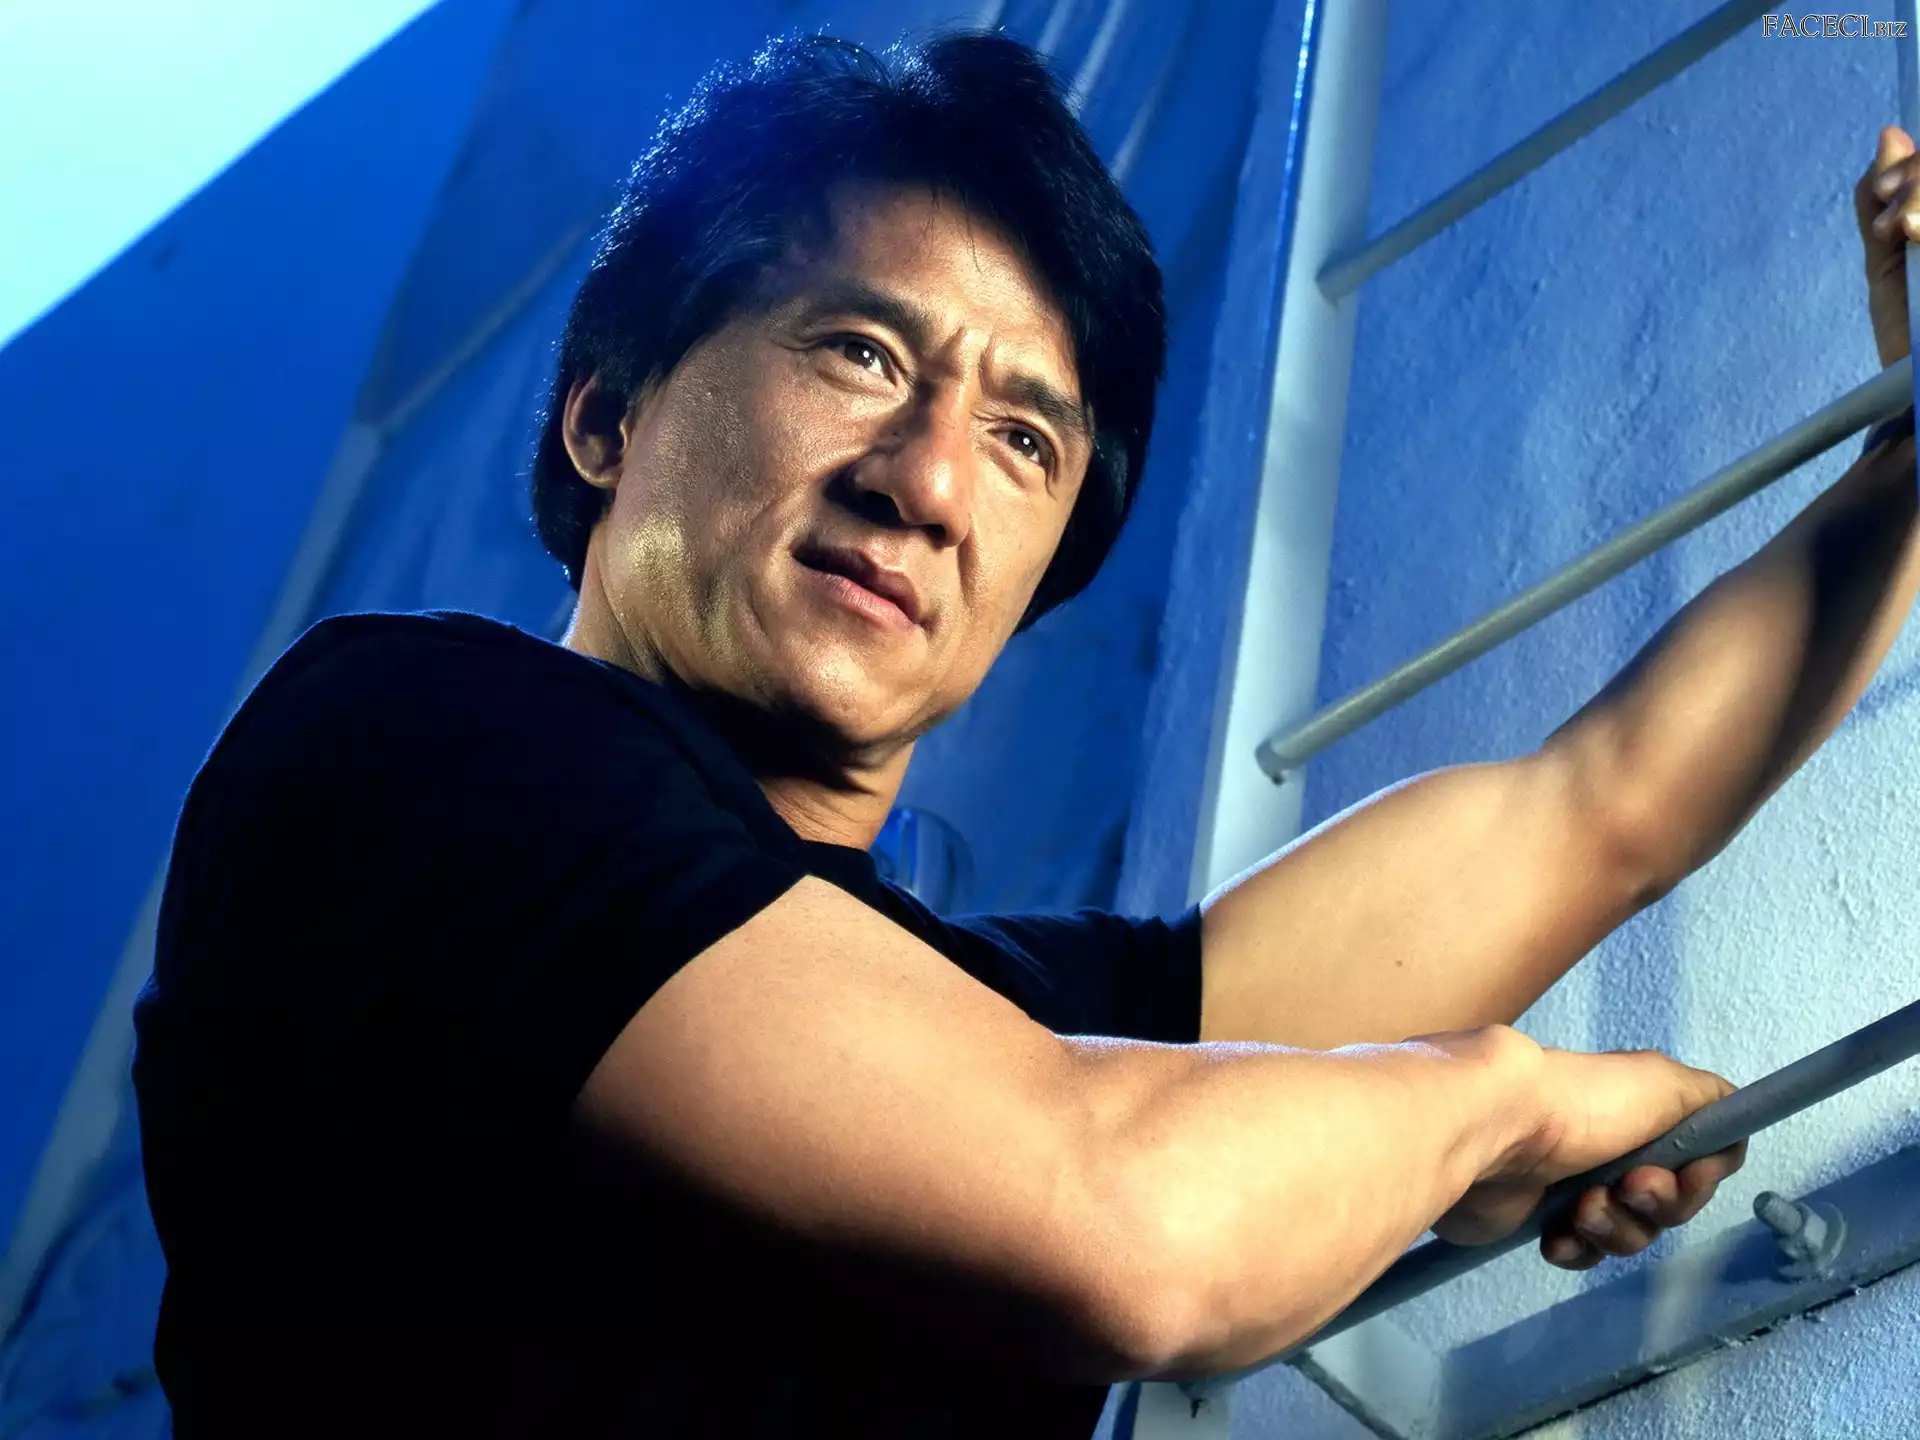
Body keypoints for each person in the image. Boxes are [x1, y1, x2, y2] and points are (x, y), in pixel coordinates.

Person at [129, 29, 1920, 1440]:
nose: (926, 486)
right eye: (859, 352)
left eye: (1024, 440)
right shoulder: (406, 745)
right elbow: (1126, 1219)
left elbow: (1599, 806)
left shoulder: (1002, 1022)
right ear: (605, 415)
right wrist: (1498, 1108)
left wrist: (1911, 444)